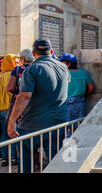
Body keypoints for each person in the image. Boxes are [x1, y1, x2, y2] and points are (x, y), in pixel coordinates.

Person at [7, 39, 70, 173]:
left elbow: (24, 96)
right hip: (58, 123)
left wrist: (12, 120)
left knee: (26, 163)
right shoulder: (63, 67)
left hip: (32, 125)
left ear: (34, 53)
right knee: (58, 164)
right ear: (51, 52)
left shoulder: (32, 70)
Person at [58, 53, 94, 121]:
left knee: (66, 126)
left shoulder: (64, 74)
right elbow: (91, 88)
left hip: (66, 104)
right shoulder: (83, 73)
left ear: (68, 64)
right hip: (80, 103)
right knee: (77, 125)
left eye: (62, 63)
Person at [0, 54, 20, 166]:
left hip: (1, 109)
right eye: (15, 62)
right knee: (12, 132)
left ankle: (4, 157)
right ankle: (13, 157)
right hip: (9, 108)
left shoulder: (1, 75)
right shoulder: (11, 75)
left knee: (4, 133)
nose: (17, 65)